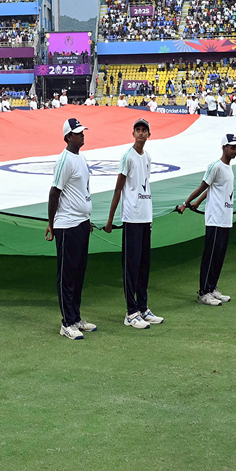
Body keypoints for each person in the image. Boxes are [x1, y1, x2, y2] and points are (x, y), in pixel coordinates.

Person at [104, 118, 161, 328]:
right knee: (131, 266)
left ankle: (143, 307)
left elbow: (144, 188)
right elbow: (119, 189)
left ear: (149, 135)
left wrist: (150, 217)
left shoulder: (147, 157)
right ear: (133, 134)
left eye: (144, 130)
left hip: (145, 218)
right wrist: (111, 219)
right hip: (131, 218)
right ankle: (131, 312)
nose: (140, 133)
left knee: (144, 265)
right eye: (137, 130)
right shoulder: (127, 157)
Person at [46, 117, 95, 338]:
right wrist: (51, 223)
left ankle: (76, 316)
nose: (82, 134)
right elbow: (54, 192)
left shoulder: (81, 158)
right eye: (78, 132)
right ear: (68, 137)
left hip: (82, 224)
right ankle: (67, 322)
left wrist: (86, 218)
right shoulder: (64, 160)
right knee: (67, 275)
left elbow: (82, 190)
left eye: (82, 131)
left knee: (78, 273)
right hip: (66, 225)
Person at [179, 133, 236, 303]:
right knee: (211, 254)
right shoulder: (215, 166)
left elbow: (213, 189)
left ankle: (212, 287)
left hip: (226, 217)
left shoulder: (228, 168)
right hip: (215, 218)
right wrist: (186, 203)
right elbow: (203, 186)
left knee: (219, 254)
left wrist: (198, 202)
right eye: (232, 147)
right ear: (224, 148)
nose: (235, 150)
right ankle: (203, 292)